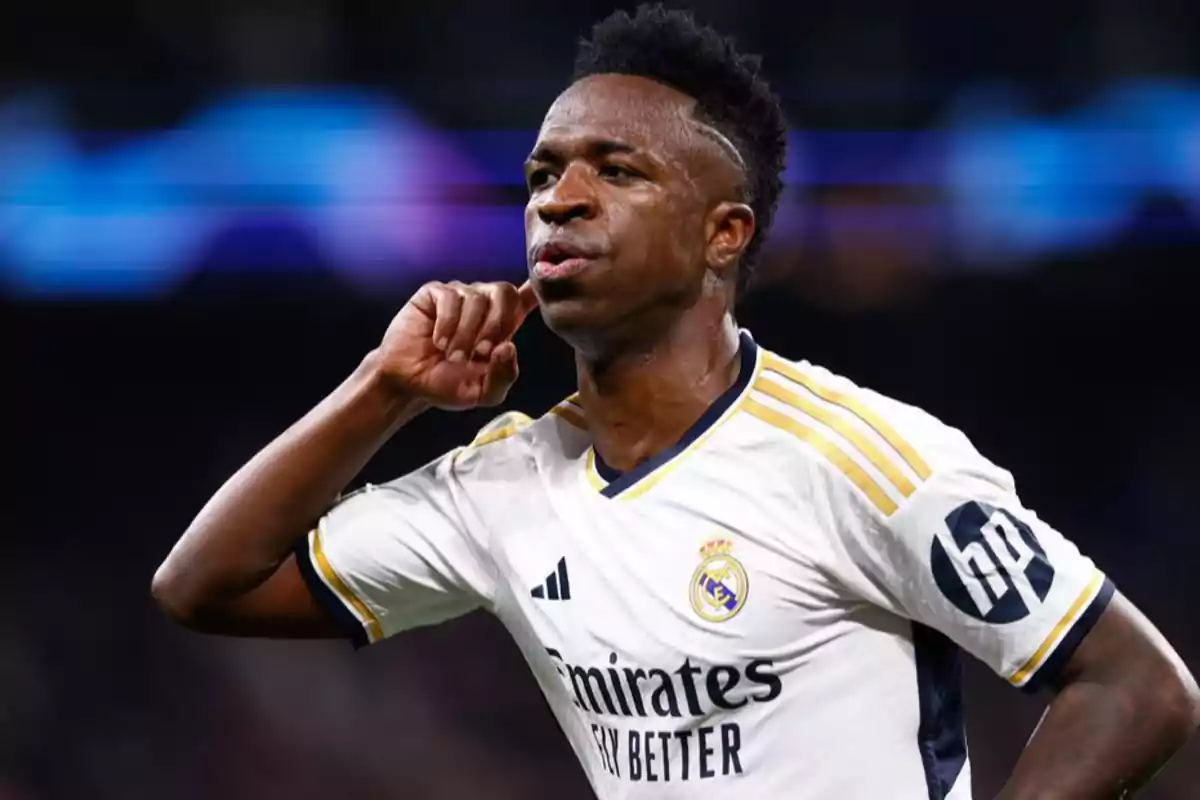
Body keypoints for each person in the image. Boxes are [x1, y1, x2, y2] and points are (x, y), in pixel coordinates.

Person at [151, 5, 1199, 798]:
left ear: (723, 235)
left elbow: (1138, 686)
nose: (560, 199)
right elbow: (204, 584)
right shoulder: (502, 484)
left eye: (616, 170)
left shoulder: (866, 459)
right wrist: (381, 391)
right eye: (543, 174)